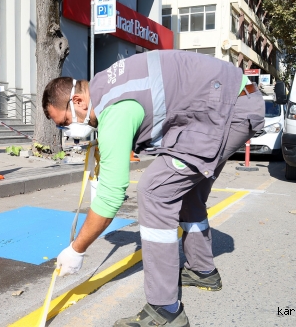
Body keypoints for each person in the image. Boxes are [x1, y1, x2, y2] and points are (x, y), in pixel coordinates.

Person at [43, 50, 265, 327]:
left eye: (65, 122)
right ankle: (202, 270)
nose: (69, 129)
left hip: (226, 109)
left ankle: (165, 309)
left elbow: (111, 195)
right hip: (234, 100)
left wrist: (77, 250)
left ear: (77, 100)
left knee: (154, 191)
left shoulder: (115, 107)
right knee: (186, 191)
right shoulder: (106, 86)